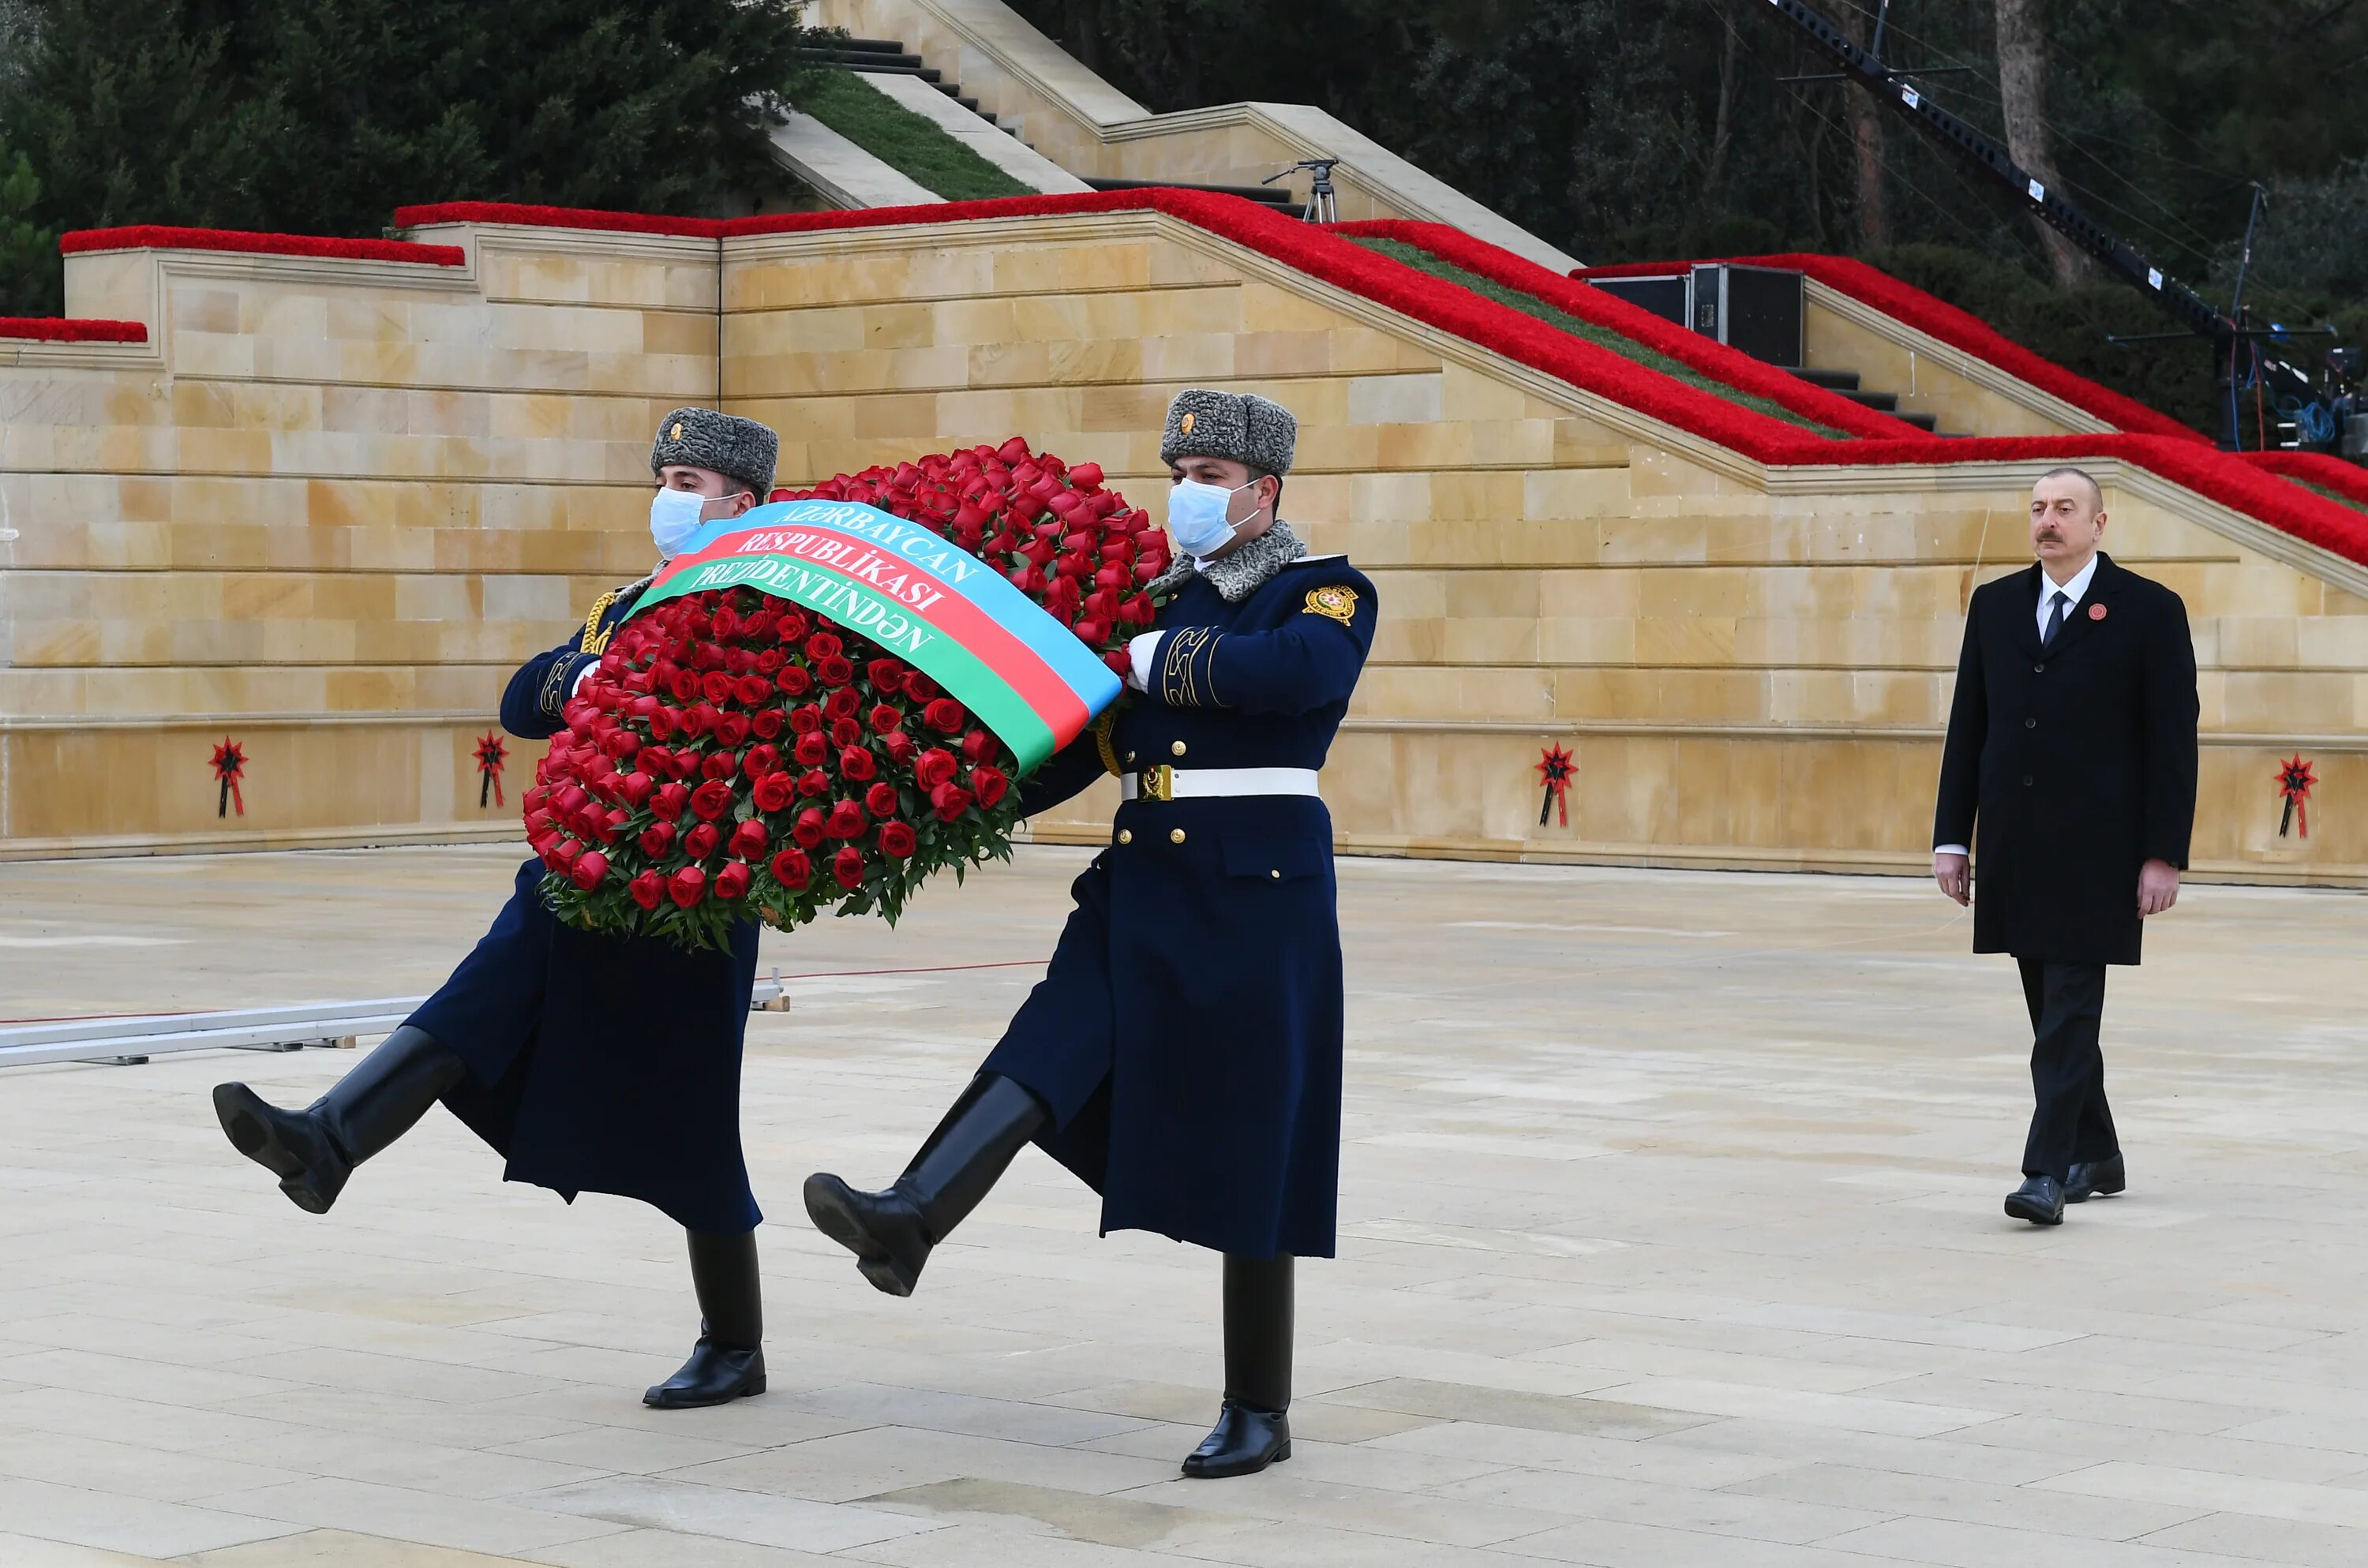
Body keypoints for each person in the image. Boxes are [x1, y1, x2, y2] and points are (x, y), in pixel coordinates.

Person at [801, 388, 1377, 1479]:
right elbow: (1067, 747)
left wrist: (1152, 657)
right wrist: (918, 801)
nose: (1189, 493)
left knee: (1255, 1138)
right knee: (1047, 1044)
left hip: (1258, 888)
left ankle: (1259, 1403)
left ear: (1267, 489)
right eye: (1182, 472)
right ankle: (911, 1216)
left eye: (1211, 476)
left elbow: (1298, 677)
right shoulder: (1148, 606)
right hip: (1142, 874)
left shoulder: (1322, 591)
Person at [212, 407, 785, 1407]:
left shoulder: (772, 606)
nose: (669, 497)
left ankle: (734, 1344)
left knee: (695, 1121)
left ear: (744, 501)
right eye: (665, 477)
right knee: (472, 1006)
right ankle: (326, 1139)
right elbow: (526, 698)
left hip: (693, 889)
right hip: (580, 866)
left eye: (690, 482)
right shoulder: (629, 602)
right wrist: (593, 675)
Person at [1932, 466, 2198, 1226]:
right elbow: (1969, 728)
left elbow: (2172, 742)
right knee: (2051, 1007)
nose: (2049, 520)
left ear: (2099, 523)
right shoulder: (1995, 606)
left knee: (2068, 1013)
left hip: (2101, 853)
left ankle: (2045, 1172)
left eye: (2066, 508)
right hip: (2017, 847)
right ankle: (2100, 1149)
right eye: (2039, 509)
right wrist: (1954, 837)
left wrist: (2162, 852)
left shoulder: (2150, 610)